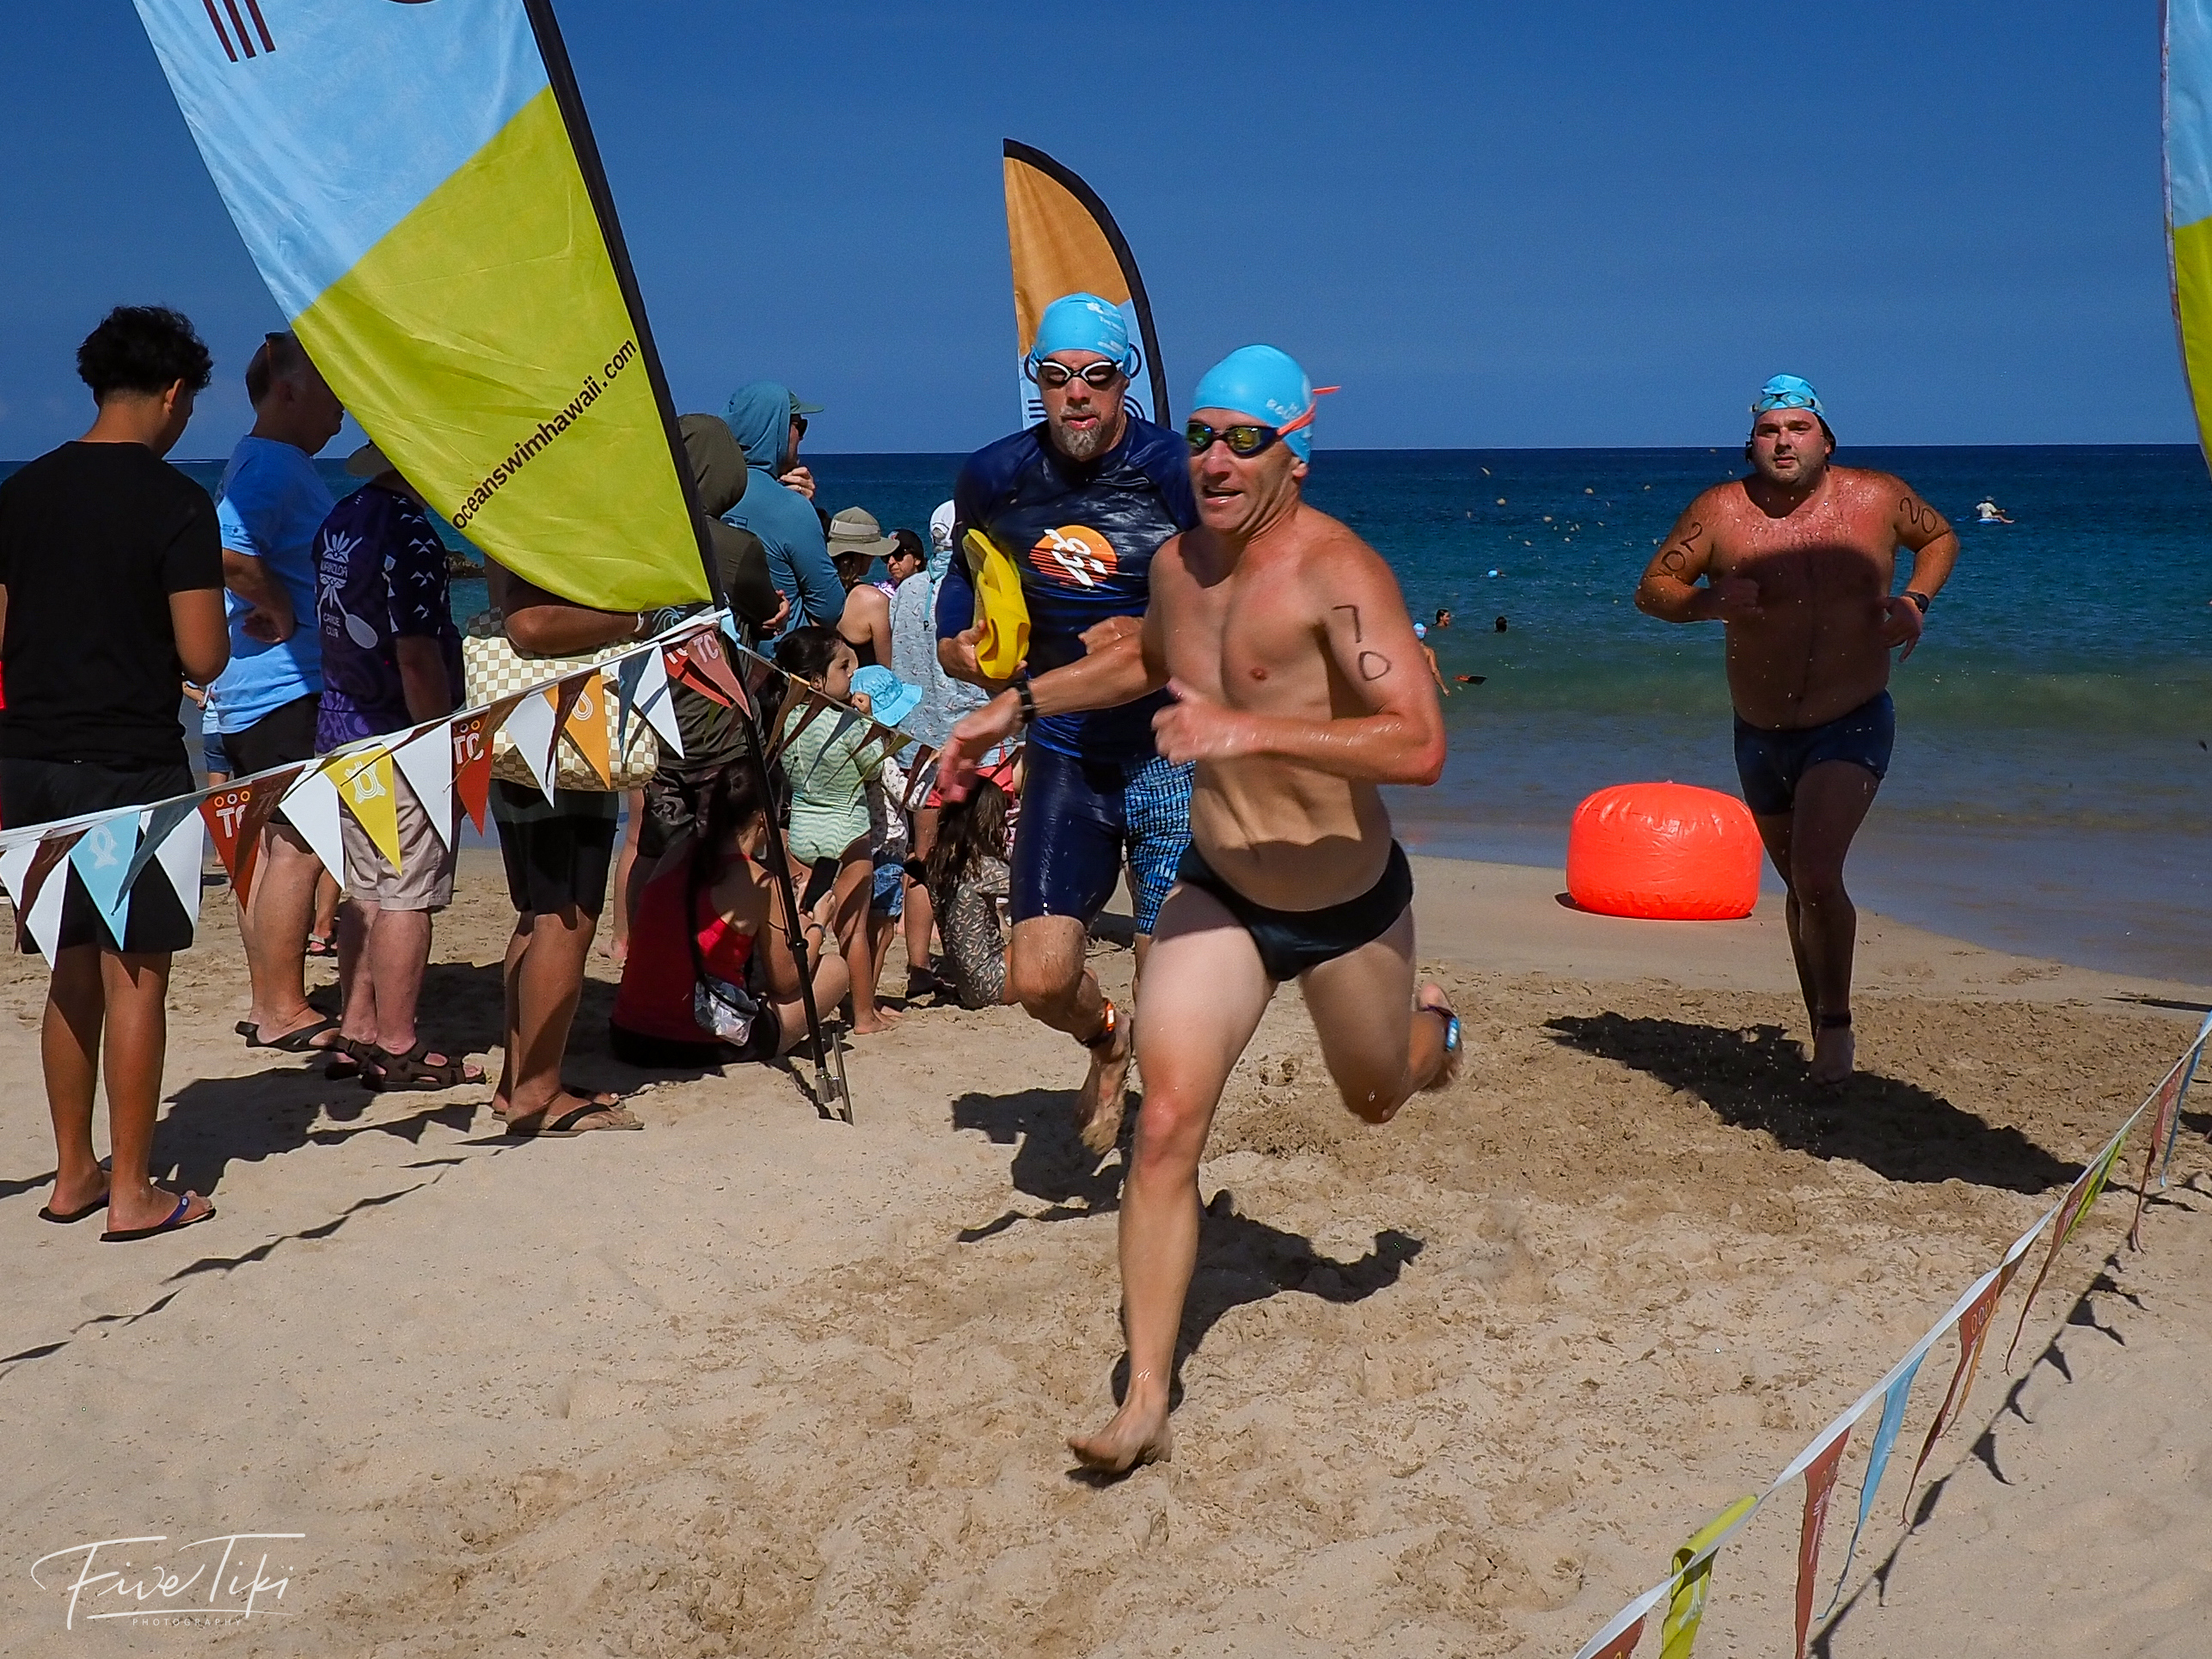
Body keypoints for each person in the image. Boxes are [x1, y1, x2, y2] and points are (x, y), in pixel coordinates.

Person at [938, 344, 1461, 1472]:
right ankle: (1145, 1399)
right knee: (1167, 1124)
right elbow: (1138, 664)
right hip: (1220, 891)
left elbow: (1419, 743)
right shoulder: (1179, 565)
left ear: (1294, 457)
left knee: (1376, 1094)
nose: (1215, 459)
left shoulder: (1339, 574)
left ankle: (1437, 1027)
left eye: (1245, 440)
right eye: (1205, 436)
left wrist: (1247, 729)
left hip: (1344, 902)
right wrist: (1013, 705)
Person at [1633, 374, 1958, 1084]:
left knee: (1814, 873)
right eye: (1769, 431)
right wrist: (1708, 602)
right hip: (1759, 733)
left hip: (1851, 718)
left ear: (1825, 440)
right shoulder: (1719, 511)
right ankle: (1820, 1026)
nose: (1783, 441)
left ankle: (1835, 1031)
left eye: (1797, 428)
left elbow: (1938, 537)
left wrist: (1915, 600)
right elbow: (1652, 590)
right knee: (1801, 889)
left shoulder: (1877, 498)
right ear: (1750, 444)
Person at [935, 292, 1199, 1151]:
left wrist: (1160, 630)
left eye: (1095, 375)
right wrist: (955, 645)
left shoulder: (1173, 470)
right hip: (1065, 751)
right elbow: (961, 580)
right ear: (1036, 382)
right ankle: (1105, 1041)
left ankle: (1161, 1152)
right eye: (1055, 376)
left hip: (1170, 752)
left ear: (1125, 378)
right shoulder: (995, 475)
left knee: (1173, 987)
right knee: (1040, 979)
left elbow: (1231, 590)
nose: (1075, 393)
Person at [0, 304, 230, 1240]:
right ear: (173, 392)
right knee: (137, 975)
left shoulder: (21, 492)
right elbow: (204, 654)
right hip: (131, 760)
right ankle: (133, 1190)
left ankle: (72, 1173)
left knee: (69, 970)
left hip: (29, 759)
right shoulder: (176, 501)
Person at [313, 442, 480, 1090]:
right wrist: (438, 738)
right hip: (398, 733)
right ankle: (397, 1042)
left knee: (367, 889)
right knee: (407, 894)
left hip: (342, 723)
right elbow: (416, 651)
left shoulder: (342, 516)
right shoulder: (410, 532)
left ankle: (357, 1030)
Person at [212, 330, 346, 1054]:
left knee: (267, 851)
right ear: (289, 391)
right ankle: (282, 1007)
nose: (344, 409)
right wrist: (284, 609)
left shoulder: (263, 458)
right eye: (332, 392)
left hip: (255, 689)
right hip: (285, 686)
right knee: (298, 847)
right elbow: (228, 552)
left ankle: (269, 1000)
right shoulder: (270, 461)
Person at [610, 763, 850, 1068]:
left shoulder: (678, 853)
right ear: (764, 817)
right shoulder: (759, 882)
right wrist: (817, 924)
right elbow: (786, 981)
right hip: (696, 1039)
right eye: (782, 811)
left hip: (628, 1034)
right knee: (835, 970)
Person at [773, 627, 898, 1033]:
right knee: (853, 930)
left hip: (803, 829)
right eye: (844, 667)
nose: (853, 673)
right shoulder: (849, 723)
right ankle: (864, 1015)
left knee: (802, 922)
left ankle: (794, 995)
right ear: (816, 680)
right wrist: (871, 723)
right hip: (847, 831)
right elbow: (873, 769)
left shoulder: (788, 719)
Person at [892, 503, 988, 997]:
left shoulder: (907, 590)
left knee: (922, 855)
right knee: (980, 854)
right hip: (976, 743)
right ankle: (974, 959)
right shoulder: (977, 590)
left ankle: (917, 966)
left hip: (918, 743)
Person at [722, 382, 841, 631]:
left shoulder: (706, 490)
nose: (802, 436)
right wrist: (806, 510)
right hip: (780, 649)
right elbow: (830, 608)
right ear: (774, 430)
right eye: (799, 426)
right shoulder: (790, 508)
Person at [925, 774, 1013, 1010]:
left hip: (965, 985)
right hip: (992, 983)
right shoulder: (984, 869)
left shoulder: (939, 865)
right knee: (1036, 930)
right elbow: (1033, 887)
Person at [827, 506, 901, 667]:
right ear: (862, 554)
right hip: (861, 682)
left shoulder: (818, 589)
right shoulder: (873, 600)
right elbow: (887, 666)